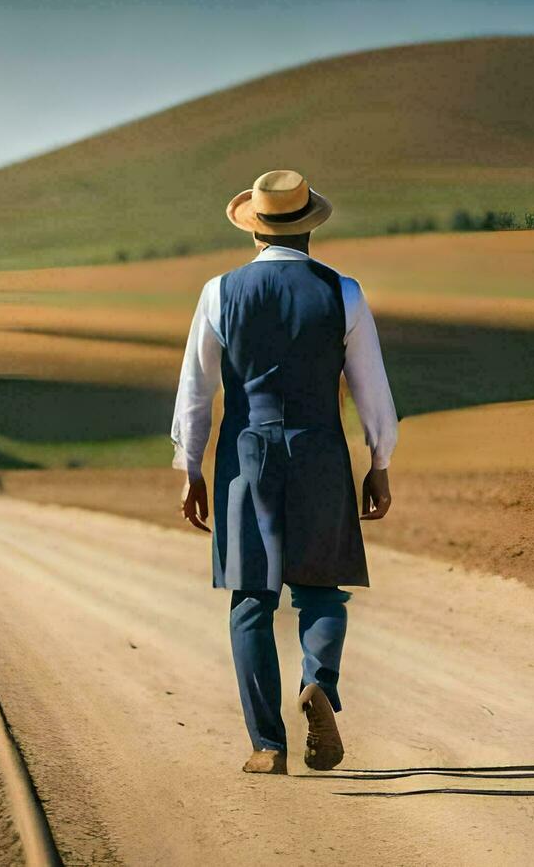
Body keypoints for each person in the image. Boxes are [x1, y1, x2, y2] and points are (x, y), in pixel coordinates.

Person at [170, 169, 398, 775]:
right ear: (309, 229)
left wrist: (190, 467)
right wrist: (379, 463)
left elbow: (196, 392)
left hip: (247, 455)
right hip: (321, 450)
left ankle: (267, 746)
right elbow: (371, 388)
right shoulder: (343, 292)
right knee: (322, 588)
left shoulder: (219, 293)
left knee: (251, 599)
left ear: (254, 231)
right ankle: (318, 681)